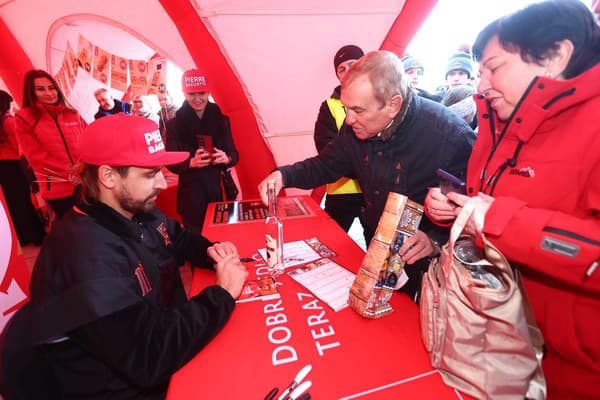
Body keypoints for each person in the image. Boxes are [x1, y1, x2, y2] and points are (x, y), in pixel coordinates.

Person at [424, 1, 600, 398]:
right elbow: (492, 198)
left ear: (555, 56)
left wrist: (498, 221)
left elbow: (507, 217)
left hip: (583, 359)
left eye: (494, 67)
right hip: (512, 333)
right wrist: (456, 209)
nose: (480, 84)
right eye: (479, 69)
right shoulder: (499, 120)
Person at [26, 114, 248, 399]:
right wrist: (221, 294)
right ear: (108, 176)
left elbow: (178, 236)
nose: (163, 183)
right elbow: (150, 356)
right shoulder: (85, 257)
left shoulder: (132, 209)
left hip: (166, 351)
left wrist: (210, 251)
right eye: (149, 174)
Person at [259, 51, 475, 299]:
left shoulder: (449, 136)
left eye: (358, 111)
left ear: (393, 105)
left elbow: (473, 209)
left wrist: (434, 239)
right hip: (377, 244)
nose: (349, 120)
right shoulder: (355, 128)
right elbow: (326, 164)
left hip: (426, 262)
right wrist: (283, 176)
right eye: (346, 109)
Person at [166, 69, 239, 234]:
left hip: (219, 189)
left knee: (223, 236)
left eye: (202, 93)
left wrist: (226, 158)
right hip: (191, 193)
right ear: (184, 94)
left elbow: (235, 154)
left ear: (208, 92)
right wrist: (191, 162)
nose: (197, 99)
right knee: (197, 241)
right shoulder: (173, 125)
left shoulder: (222, 120)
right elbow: (170, 160)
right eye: (192, 94)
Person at [15, 69, 86, 219]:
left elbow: (88, 142)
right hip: (57, 185)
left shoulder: (72, 113)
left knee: (98, 228)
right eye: (40, 89)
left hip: (85, 181)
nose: (49, 93)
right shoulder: (24, 118)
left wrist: (83, 168)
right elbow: (36, 157)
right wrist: (71, 172)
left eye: (51, 87)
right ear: (31, 92)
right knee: (73, 233)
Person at [314, 44, 368, 240]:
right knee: (330, 245)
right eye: (341, 69)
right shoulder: (329, 106)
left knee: (377, 253)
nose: (347, 72)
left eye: (352, 65)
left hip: (372, 194)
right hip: (340, 192)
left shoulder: (378, 100)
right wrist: (366, 168)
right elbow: (326, 151)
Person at [0, 90, 46, 245]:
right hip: (14, 166)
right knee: (26, 201)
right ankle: (36, 236)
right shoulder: (9, 121)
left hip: (3, 169)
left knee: (13, 204)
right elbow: (19, 147)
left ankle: (23, 237)